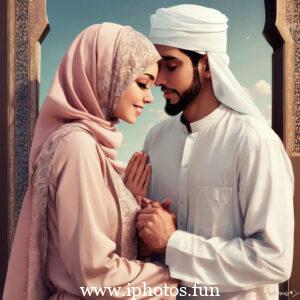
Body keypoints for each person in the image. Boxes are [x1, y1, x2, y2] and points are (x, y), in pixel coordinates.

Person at [127, 5, 294, 300]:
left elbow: (274, 259)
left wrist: (173, 243)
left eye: (171, 66)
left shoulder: (254, 142)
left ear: (205, 64)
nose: (159, 80)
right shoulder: (156, 139)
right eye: (157, 66)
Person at [3, 23, 178, 300]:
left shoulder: (90, 147)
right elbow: (94, 275)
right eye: (142, 83)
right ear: (105, 75)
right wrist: (174, 275)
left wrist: (130, 206)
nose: (148, 97)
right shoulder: (77, 146)